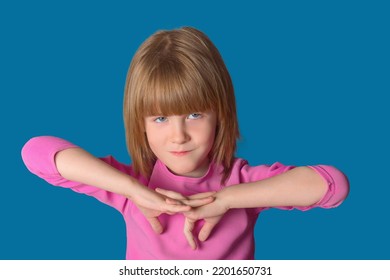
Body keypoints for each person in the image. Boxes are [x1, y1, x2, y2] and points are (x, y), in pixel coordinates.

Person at [21, 27, 349, 260]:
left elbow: (332, 185)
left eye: (194, 114)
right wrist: (134, 191)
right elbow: (36, 152)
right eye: (160, 119)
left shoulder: (242, 184)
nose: (179, 136)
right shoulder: (133, 187)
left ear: (220, 114)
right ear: (141, 124)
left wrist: (228, 199)